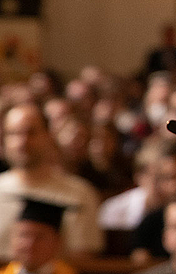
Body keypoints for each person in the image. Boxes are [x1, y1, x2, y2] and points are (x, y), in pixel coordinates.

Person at [0, 103, 102, 255]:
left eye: (31, 132)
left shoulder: (80, 193)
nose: (22, 141)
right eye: (14, 133)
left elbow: (84, 258)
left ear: (48, 135)